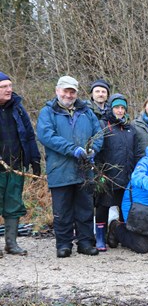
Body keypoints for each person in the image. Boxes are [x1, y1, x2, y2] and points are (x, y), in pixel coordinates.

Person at [37, 75, 104, 258]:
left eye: (72, 91)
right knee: (62, 210)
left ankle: (85, 242)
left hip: (84, 170)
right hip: (60, 168)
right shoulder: (48, 112)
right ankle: (64, 244)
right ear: (58, 91)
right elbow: (46, 136)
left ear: (76, 93)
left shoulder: (86, 111)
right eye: (65, 91)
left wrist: (93, 150)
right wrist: (72, 149)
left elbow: (99, 134)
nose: (68, 95)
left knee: (85, 208)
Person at [0, 72, 41, 257]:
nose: (9, 90)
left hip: (16, 167)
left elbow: (29, 135)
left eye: (10, 85)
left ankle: (11, 243)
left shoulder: (18, 108)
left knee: (13, 204)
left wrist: (34, 159)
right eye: (4, 87)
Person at [94, 93, 136, 251]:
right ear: (111, 108)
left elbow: (135, 152)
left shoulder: (130, 128)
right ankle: (100, 237)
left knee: (123, 207)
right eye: (116, 107)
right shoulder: (102, 125)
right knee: (103, 206)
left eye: (122, 108)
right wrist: (99, 172)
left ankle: (118, 236)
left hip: (126, 175)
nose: (119, 110)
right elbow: (97, 150)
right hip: (107, 175)